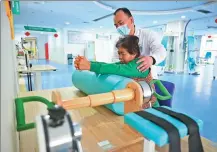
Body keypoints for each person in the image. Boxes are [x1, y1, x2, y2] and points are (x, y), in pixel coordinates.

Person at [74, 35, 171, 109]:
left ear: (134, 53)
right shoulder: (127, 63)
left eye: (122, 53)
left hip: (150, 108)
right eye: (118, 53)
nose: (120, 57)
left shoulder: (138, 65)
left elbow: (116, 69)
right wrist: (88, 63)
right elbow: (111, 65)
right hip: (137, 104)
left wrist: (89, 66)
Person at [113, 8, 167, 79]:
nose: (118, 27)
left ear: (131, 20)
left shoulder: (148, 34)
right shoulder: (118, 41)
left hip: (148, 79)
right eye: (116, 25)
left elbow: (161, 51)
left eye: (121, 23)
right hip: (127, 79)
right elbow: (116, 60)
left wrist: (151, 59)